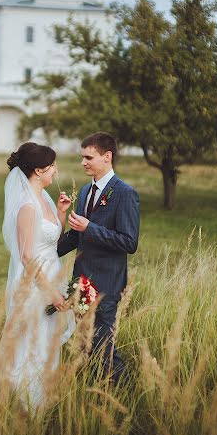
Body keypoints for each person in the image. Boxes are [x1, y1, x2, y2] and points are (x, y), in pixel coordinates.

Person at [0, 142, 75, 409]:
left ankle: (41, 404)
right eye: (52, 165)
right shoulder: (27, 206)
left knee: (47, 344)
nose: (55, 170)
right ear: (39, 170)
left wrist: (61, 215)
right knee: (33, 345)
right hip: (35, 286)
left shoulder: (44, 199)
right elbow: (28, 256)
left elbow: (50, 242)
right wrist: (51, 293)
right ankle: (25, 406)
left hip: (51, 276)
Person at [57, 132, 140, 383]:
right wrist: (44, 251)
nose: (83, 162)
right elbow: (77, 235)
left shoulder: (125, 193)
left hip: (107, 282)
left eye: (88, 157)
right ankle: (97, 387)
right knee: (85, 337)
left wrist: (89, 228)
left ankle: (125, 389)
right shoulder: (84, 191)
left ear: (107, 157)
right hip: (82, 280)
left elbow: (129, 242)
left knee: (103, 341)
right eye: (82, 157)